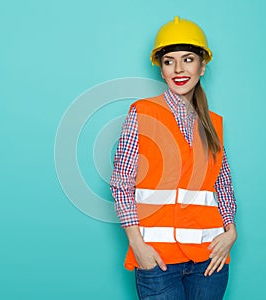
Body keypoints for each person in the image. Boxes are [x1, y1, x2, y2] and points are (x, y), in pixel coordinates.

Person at [110, 16, 237, 300]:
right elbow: (121, 184)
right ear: (161, 68)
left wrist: (231, 232)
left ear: (202, 66)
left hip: (210, 259)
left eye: (188, 59)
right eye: (169, 61)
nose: (179, 69)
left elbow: (223, 185)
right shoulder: (142, 113)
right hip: (157, 260)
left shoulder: (214, 123)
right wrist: (137, 245)